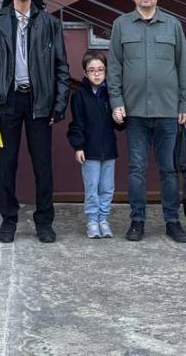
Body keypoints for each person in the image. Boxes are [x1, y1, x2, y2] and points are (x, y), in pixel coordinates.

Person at [0, 0, 70, 244]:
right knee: (7, 164)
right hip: (7, 100)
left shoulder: (49, 23)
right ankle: (8, 220)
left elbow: (61, 66)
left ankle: (44, 221)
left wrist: (59, 104)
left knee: (42, 165)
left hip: (38, 101)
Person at [107, 0, 186, 244]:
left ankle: (172, 222)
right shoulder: (121, 25)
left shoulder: (173, 25)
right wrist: (116, 101)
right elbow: (114, 66)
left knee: (169, 170)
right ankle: (137, 221)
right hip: (135, 112)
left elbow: (183, 66)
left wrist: (185, 103)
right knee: (136, 169)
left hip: (168, 111)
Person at [67, 50, 121, 239]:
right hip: (89, 151)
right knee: (92, 188)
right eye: (92, 70)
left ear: (106, 71)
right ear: (85, 73)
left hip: (109, 150)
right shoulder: (79, 96)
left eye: (100, 69)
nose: (96, 74)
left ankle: (103, 219)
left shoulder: (111, 94)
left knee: (107, 188)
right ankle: (92, 220)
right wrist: (78, 146)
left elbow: (118, 124)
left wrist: (120, 118)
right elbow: (77, 123)